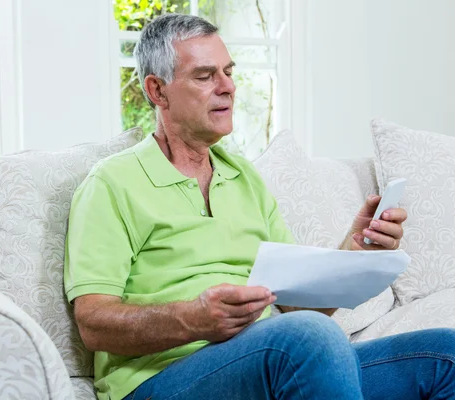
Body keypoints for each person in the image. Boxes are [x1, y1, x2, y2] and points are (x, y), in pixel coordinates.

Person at [64, 13, 455, 400]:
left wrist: (355, 250)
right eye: (205, 76)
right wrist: (194, 319)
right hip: (162, 380)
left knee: (445, 355)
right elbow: (94, 323)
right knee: (307, 338)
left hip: (272, 359)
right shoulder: (112, 183)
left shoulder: (244, 178)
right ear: (157, 90)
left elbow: (301, 306)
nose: (228, 87)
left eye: (228, 72)